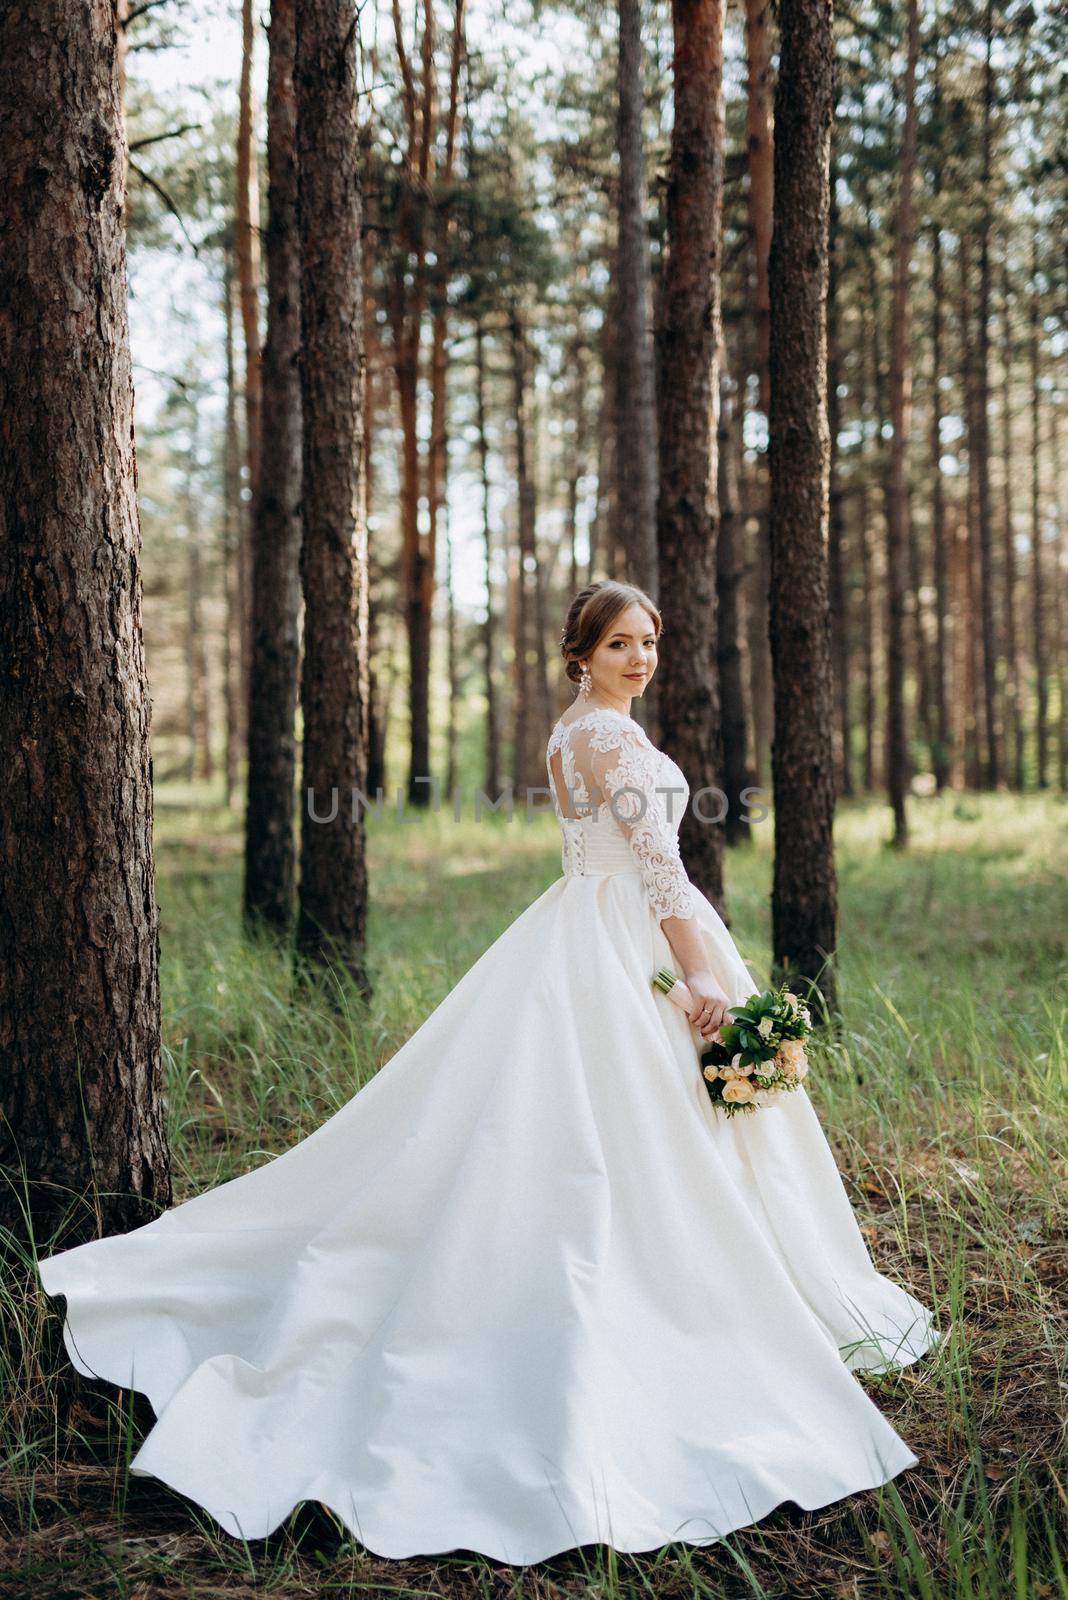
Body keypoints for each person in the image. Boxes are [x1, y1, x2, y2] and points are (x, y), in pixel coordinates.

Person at [37, 579, 940, 1565]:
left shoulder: (574, 733)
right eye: (619, 643)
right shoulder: (606, 739)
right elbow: (661, 873)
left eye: (649, 641)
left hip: (585, 932)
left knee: (595, 1128)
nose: (640, 658)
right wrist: (699, 977)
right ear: (581, 653)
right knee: (619, 1130)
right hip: (624, 940)